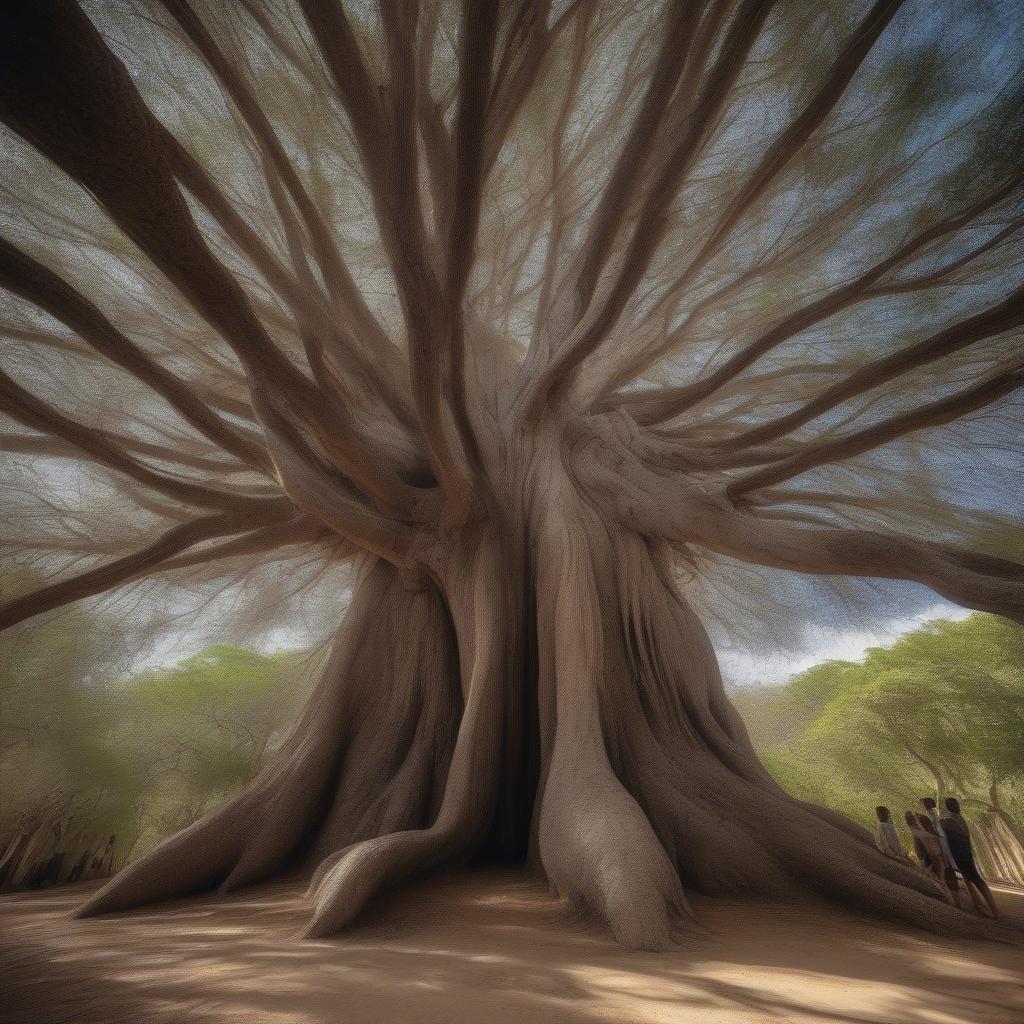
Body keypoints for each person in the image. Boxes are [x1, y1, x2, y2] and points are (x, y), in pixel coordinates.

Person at [942, 798, 999, 919]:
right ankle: (981, 906)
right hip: (966, 854)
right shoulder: (959, 818)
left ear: (947, 807)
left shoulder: (949, 820)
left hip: (961, 856)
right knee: (972, 880)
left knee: (977, 881)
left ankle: (994, 912)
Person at [908, 813, 957, 906]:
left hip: (935, 860)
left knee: (942, 882)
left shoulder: (925, 835)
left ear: (922, 823)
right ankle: (954, 903)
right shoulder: (933, 833)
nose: (917, 823)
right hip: (940, 860)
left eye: (918, 822)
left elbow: (930, 851)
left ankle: (952, 904)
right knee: (947, 882)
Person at [921, 797, 960, 896]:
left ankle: (952, 894)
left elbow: (938, 831)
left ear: (927, 806)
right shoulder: (935, 813)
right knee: (947, 869)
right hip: (942, 844)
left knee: (946, 869)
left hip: (941, 845)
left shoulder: (934, 815)